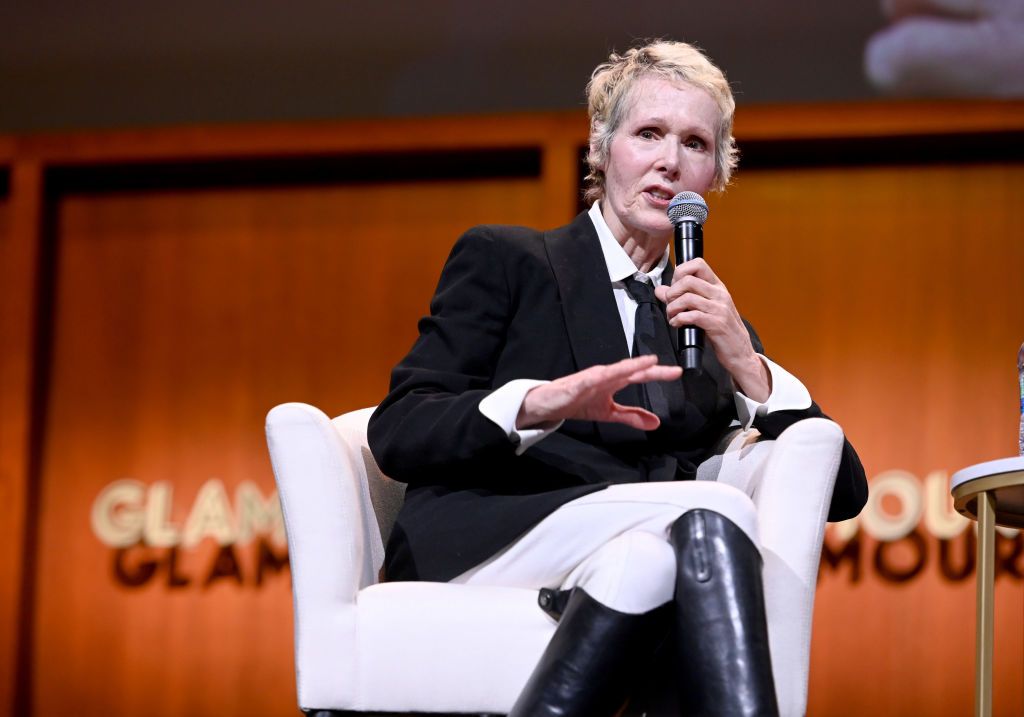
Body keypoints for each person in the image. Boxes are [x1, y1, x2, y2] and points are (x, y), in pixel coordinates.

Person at [368, 40, 868, 717]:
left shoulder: (707, 319)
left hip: (634, 565)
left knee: (652, 562)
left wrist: (746, 361)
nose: (669, 161)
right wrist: (538, 404)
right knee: (714, 512)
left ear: (715, 175)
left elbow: (839, 490)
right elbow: (400, 429)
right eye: (649, 134)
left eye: (695, 143)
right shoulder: (509, 260)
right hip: (494, 536)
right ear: (601, 149)